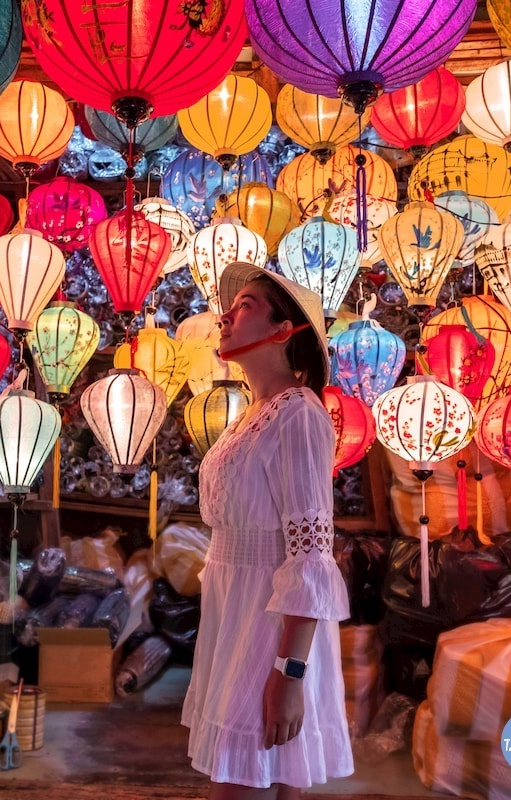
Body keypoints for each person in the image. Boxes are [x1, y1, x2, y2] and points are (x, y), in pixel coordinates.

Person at [182, 261, 353, 799]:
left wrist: (289, 672)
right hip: (235, 615)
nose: (225, 317)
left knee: (246, 779)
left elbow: (310, 554)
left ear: (284, 330)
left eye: (246, 306)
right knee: (260, 779)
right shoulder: (252, 414)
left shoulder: (298, 415)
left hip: (270, 625)